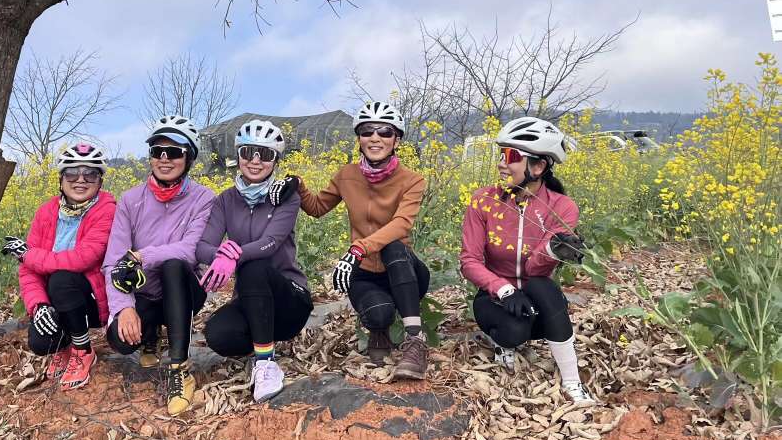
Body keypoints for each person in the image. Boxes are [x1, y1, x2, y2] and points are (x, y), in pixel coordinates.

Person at [279, 101, 431, 379]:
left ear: (396, 140)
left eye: (385, 132)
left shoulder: (412, 180)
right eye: (367, 131)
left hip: (404, 271)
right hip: (366, 273)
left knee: (393, 246)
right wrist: (298, 185)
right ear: (359, 139)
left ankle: (415, 340)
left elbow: (402, 223)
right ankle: (380, 331)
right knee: (378, 314)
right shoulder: (346, 175)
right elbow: (317, 208)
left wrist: (358, 248)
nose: (375, 138)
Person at [459, 116, 594, 405]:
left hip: (538, 297)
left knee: (542, 286)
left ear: (538, 166)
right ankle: (502, 342)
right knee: (513, 332)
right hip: (494, 298)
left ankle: (572, 382)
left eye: (510, 156)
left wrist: (553, 251)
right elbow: (469, 260)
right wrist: (504, 289)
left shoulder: (562, 207)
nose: (501, 164)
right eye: (501, 155)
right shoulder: (483, 200)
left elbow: (534, 270)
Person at [102, 115, 215, 416]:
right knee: (119, 341)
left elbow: (191, 250)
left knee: (173, 265)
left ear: (188, 157)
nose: (165, 159)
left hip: (183, 291)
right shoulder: (130, 200)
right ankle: (150, 334)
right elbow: (113, 261)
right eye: (157, 151)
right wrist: (124, 308)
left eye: (174, 152)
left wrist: (142, 255)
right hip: (144, 293)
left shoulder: (204, 198)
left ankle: (180, 369)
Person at [196, 119, 313, 402]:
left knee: (254, 265)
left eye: (266, 154)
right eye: (248, 152)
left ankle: (265, 363)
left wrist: (235, 254)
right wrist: (219, 255)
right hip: (252, 301)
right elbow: (202, 246)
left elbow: (271, 241)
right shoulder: (225, 200)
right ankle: (262, 342)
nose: (256, 160)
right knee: (218, 335)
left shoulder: (286, 197)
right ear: (238, 156)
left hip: (289, 301)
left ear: (276, 160)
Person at [1, 143, 116, 390]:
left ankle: (83, 350)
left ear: (100, 181)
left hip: (91, 301)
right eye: (72, 173)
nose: (81, 180)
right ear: (61, 180)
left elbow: (83, 258)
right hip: (57, 297)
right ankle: (65, 347)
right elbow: (28, 270)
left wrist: (28, 254)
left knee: (62, 278)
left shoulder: (107, 210)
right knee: (41, 342)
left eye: (90, 174)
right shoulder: (46, 212)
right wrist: (39, 305)